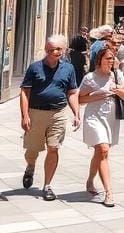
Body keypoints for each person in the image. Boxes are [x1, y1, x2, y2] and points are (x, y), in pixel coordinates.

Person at [19, 36, 80, 200]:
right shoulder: (34, 67)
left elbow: (72, 92)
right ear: (46, 49)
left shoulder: (68, 68)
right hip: (36, 112)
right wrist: (25, 116)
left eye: (58, 49)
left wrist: (76, 113)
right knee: (32, 151)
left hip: (58, 113)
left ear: (63, 50)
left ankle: (47, 186)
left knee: (53, 148)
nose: (54, 52)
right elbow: (25, 92)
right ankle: (30, 166)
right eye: (51, 49)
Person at [78, 46, 124, 206]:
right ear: (99, 60)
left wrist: (118, 89)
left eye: (113, 58)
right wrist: (97, 95)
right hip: (94, 116)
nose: (111, 61)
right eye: (108, 58)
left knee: (100, 152)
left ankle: (90, 181)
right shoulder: (90, 78)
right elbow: (81, 99)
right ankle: (108, 192)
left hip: (111, 117)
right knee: (103, 150)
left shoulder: (117, 75)